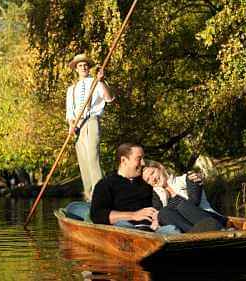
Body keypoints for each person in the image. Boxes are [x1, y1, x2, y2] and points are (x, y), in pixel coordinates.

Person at [89, 143, 180, 234]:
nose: (143, 163)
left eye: (143, 158)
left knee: (172, 230)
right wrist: (133, 215)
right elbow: (97, 215)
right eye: (139, 159)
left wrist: (158, 217)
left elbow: (164, 192)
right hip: (127, 229)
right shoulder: (106, 184)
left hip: (154, 229)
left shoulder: (146, 180)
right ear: (124, 160)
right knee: (123, 226)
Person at [66, 53, 114, 202]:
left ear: (89, 67)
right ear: (76, 68)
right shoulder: (71, 89)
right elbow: (70, 112)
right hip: (78, 126)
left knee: (93, 157)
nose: (83, 67)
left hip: (91, 120)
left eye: (85, 65)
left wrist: (102, 81)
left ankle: (100, 195)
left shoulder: (96, 82)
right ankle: (89, 197)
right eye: (80, 65)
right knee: (84, 161)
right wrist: (71, 126)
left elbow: (109, 98)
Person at [142, 161, 227, 233]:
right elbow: (160, 216)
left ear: (160, 168)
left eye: (152, 173)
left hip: (207, 219)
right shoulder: (157, 197)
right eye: (148, 179)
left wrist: (195, 179)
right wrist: (156, 220)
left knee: (181, 205)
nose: (152, 179)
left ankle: (216, 228)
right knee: (163, 213)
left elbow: (194, 202)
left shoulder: (188, 178)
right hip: (192, 230)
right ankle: (192, 235)